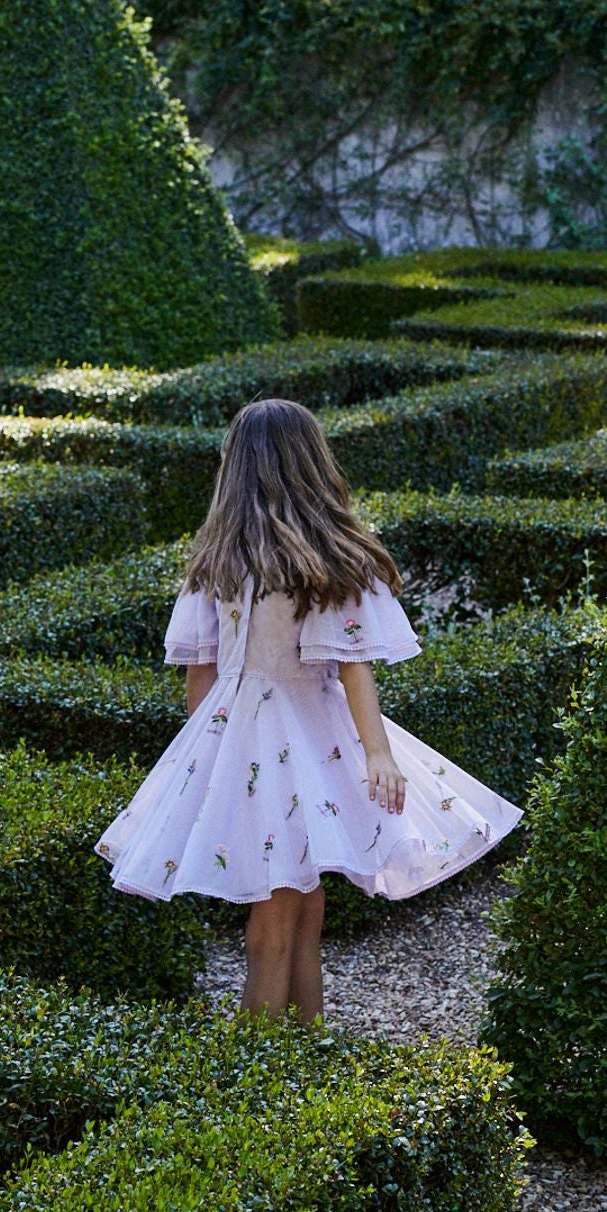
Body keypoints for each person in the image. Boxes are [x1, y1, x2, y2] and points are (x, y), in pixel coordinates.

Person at [97, 396, 523, 1021]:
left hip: (249, 733)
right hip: (307, 733)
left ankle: (296, 1057)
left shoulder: (219, 559)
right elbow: (353, 664)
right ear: (311, 463)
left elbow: (200, 672)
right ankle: (270, 1073)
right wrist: (375, 752)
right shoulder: (320, 557)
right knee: (283, 911)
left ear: (234, 467)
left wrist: (208, 764)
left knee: (299, 900)